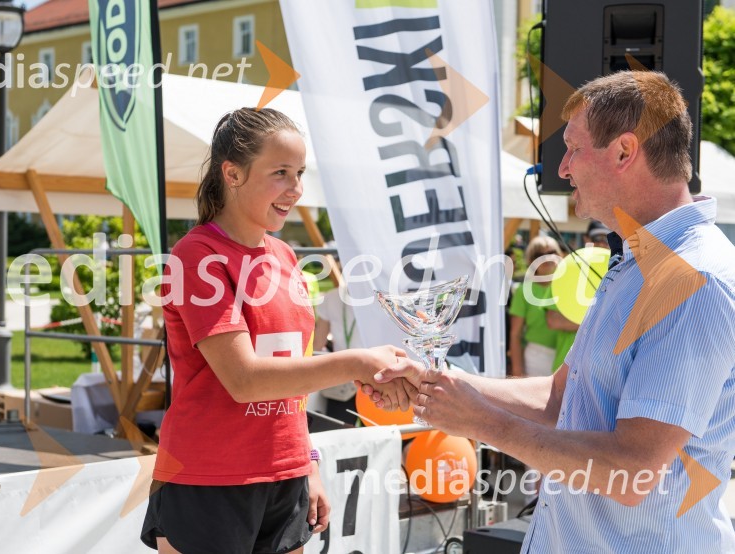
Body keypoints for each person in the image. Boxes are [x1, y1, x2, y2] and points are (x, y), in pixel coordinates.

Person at [366, 71, 735, 551]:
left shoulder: (694, 278)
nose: (561, 169)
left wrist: (480, 422)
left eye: (574, 148)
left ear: (625, 151)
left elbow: (632, 472)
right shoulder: (638, 261)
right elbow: (563, 401)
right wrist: (443, 384)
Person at [141, 108, 407, 554]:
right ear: (233, 174)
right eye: (280, 173)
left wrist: (308, 463)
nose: (296, 189)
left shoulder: (284, 256)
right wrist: (358, 362)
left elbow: (291, 377)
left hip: (284, 476)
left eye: (299, 173)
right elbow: (244, 380)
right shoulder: (197, 257)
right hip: (209, 477)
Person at [508, 236, 564, 377]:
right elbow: (515, 335)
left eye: (552, 252)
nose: (547, 258)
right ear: (530, 260)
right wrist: (517, 372)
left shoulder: (571, 286)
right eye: (539, 255)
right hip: (537, 358)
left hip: (568, 355)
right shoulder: (523, 291)